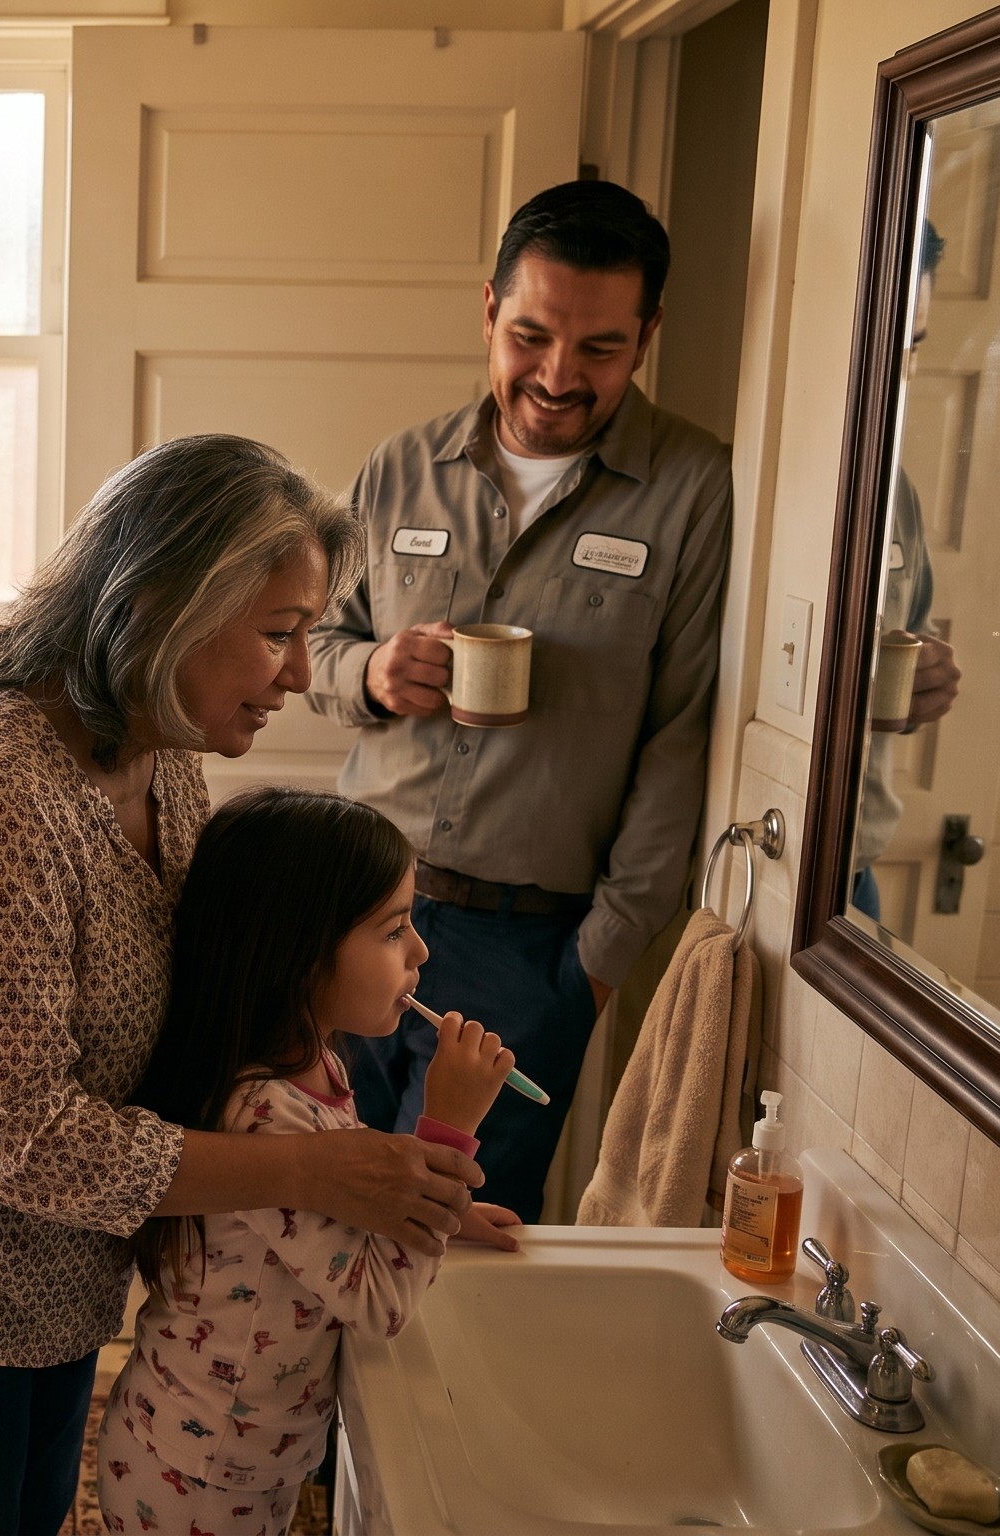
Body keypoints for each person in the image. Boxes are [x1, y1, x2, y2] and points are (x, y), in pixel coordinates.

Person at [0, 434, 519, 1536]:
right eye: (277, 633)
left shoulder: (156, 748)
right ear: (163, 602)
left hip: (53, 1258)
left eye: (307, 635)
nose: (304, 675)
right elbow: (22, 1140)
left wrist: (393, 1199)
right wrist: (321, 1171)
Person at [306, 180, 733, 1219]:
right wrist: (367, 672)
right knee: (314, 1211)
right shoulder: (399, 468)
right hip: (350, 909)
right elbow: (314, 643)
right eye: (531, 334)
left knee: (448, 1239)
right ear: (489, 309)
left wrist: (593, 968)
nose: (555, 376)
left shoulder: (695, 489)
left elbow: (681, 741)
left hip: (529, 951)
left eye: (598, 348)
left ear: (647, 336)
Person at [101, 787, 517, 1533]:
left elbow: (343, 1217)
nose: (421, 951)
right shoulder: (263, 1113)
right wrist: (448, 1131)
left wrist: (433, 1204)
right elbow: (378, 1302)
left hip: (245, 1456)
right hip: (198, 1474)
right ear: (299, 951)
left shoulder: (315, 1067)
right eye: (394, 932)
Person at [853, 219, 966, 922]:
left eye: (914, 347)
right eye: (883, 348)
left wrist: (928, 683)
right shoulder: (731, 483)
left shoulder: (897, 492)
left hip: (855, 871)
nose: (901, 376)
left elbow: (910, 632)